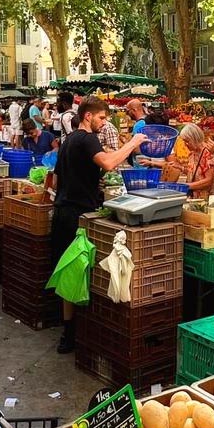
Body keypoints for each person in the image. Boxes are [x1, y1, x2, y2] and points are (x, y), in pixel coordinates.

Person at [50, 99, 147, 353]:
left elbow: (58, 176)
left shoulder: (69, 141)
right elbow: (108, 163)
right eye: (102, 118)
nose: (104, 123)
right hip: (80, 215)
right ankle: (84, 330)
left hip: (62, 211)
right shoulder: (88, 138)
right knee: (83, 272)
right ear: (88, 116)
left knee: (70, 273)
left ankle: (68, 333)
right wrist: (133, 143)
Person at [175, 121, 214, 197]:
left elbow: (209, 180)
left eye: (187, 141)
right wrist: (180, 168)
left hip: (205, 198)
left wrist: (187, 186)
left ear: (194, 138)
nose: (185, 144)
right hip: (194, 198)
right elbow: (194, 173)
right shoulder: (192, 154)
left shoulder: (207, 154)